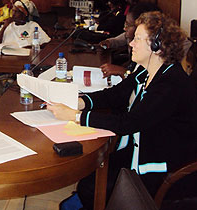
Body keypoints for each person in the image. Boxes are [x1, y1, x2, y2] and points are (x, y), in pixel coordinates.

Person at [49, 11, 197, 209]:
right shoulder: (146, 71)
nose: (131, 43)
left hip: (164, 166)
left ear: (156, 46)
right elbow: (116, 94)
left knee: (89, 187)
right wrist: (80, 102)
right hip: (142, 148)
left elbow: (129, 123)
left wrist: (77, 116)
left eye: (137, 39)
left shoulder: (171, 84)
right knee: (92, 174)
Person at [99, 2, 159, 78]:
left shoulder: (150, 53)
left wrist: (123, 71)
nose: (124, 28)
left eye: (128, 25)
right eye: (125, 24)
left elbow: (142, 80)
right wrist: (109, 42)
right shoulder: (130, 37)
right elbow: (121, 38)